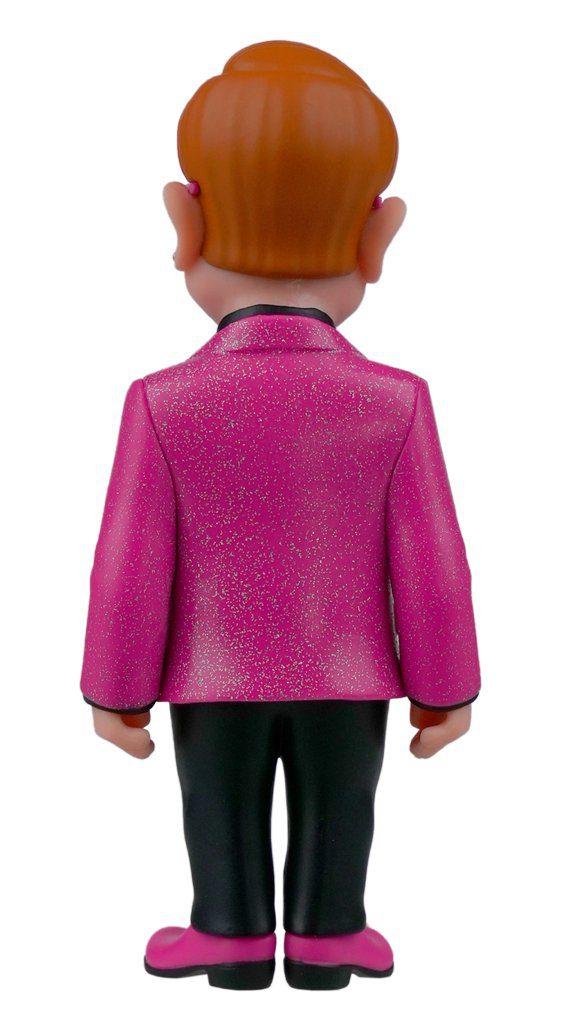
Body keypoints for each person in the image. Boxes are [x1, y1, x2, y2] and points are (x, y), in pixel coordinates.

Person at [80, 40, 481, 990]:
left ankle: (226, 928)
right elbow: (432, 560)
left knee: (213, 803)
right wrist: (446, 685)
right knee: (344, 803)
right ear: (377, 239)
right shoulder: (396, 401)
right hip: (350, 675)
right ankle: (328, 931)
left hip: (206, 676)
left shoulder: (161, 402)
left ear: (184, 225)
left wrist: (115, 688)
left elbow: (129, 561)